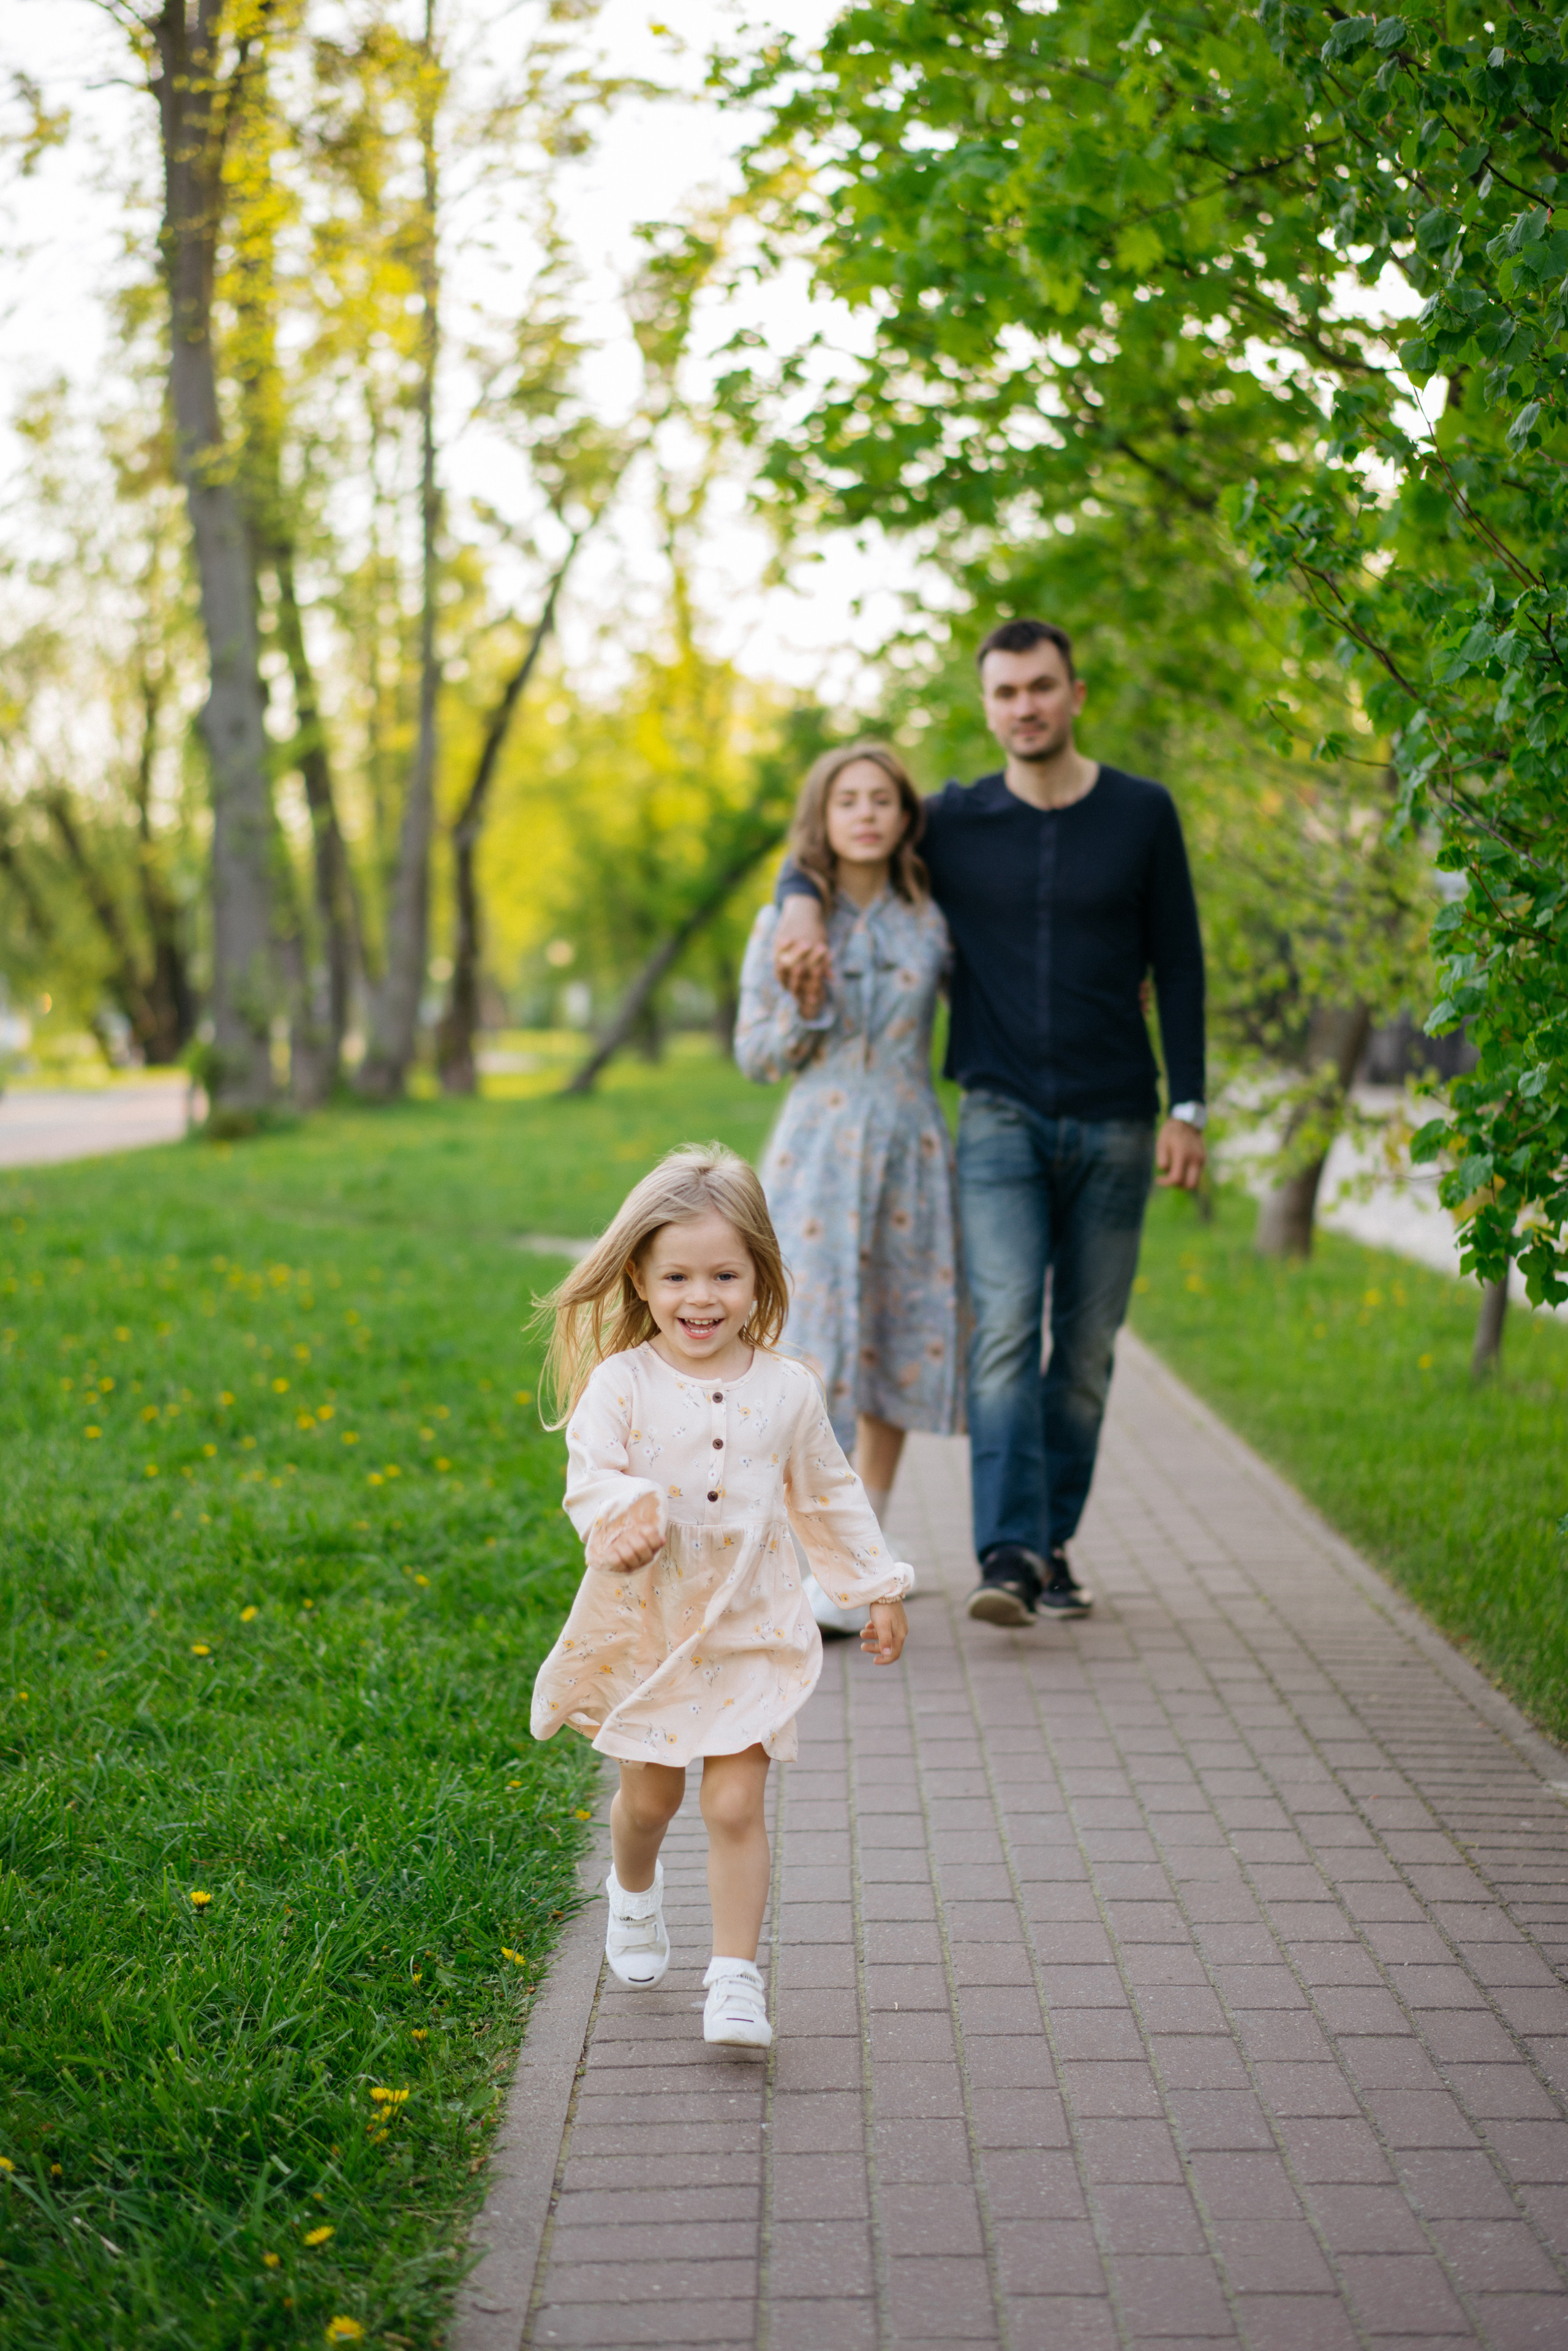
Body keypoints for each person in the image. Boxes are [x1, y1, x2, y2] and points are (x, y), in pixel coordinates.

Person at [773, 619, 1206, 1629]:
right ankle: (1007, 1553)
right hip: (999, 1115)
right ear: (988, 706)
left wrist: (1188, 1103)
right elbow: (845, 829)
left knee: (1088, 1347)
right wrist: (798, 903)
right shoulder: (953, 819)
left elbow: (1179, 964)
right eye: (1005, 692)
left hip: (1119, 1120)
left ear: (1075, 693)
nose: (1025, 706)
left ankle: (1048, 1541)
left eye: (1042, 687)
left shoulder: (1143, 814)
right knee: (1004, 1328)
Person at [529, 1145, 912, 2050]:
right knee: (652, 1803)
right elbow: (592, 1471)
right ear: (641, 1277)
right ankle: (633, 1891)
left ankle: (736, 1979)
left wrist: (876, 1585)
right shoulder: (621, 1383)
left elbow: (826, 1493)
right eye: (678, 1276)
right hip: (652, 1624)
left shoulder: (788, 1390)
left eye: (725, 1275)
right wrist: (620, 1512)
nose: (701, 1297)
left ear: (760, 1277)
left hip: (750, 1621)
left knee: (737, 1804)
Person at [733, 742, 960, 1635]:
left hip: (910, 1142)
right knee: (811, 1350)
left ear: (905, 815)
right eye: (847, 800)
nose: (865, 812)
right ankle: (801, 1555)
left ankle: (862, 1552)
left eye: (882, 798)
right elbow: (756, 1055)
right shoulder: (785, 922)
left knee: (895, 1344)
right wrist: (799, 1002)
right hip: (818, 1148)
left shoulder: (933, 919)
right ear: (822, 820)